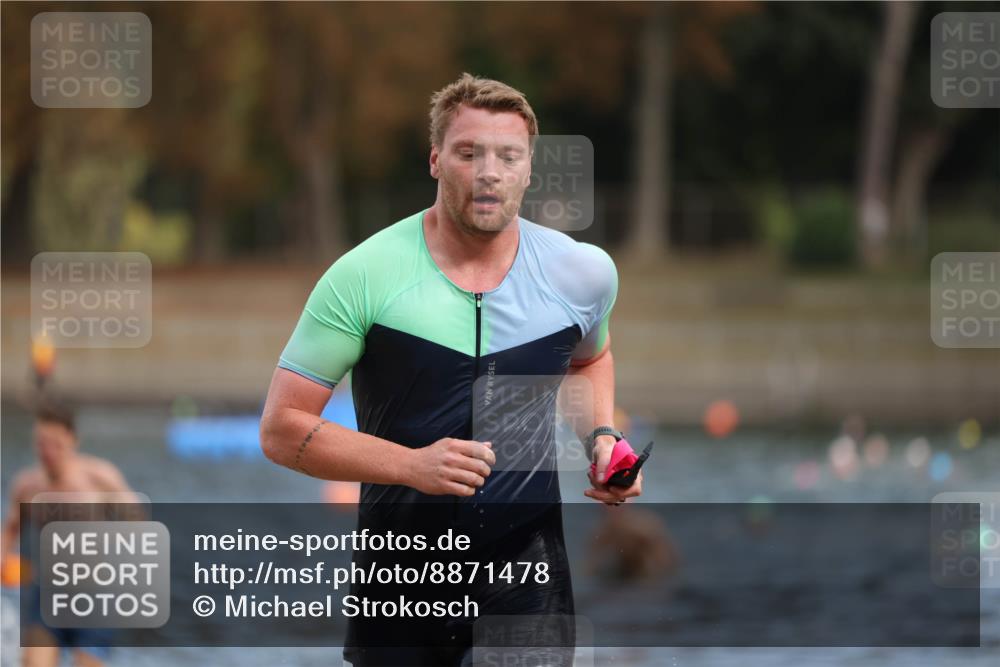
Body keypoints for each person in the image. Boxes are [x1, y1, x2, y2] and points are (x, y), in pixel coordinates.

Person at [260, 72, 643, 666]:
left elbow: (590, 359)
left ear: (528, 169)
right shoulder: (365, 275)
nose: (489, 170)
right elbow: (281, 429)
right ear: (437, 160)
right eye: (469, 152)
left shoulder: (582, 273)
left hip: (527, 583)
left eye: (507, 155)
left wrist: (600, 438)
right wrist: (411, 466)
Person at [2, 403, 139, 667]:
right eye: (41, 443)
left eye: (55, 444)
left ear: (73, 440)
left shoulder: (100, 478)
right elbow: (10, 528)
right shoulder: (28, 486)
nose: (48, 452)